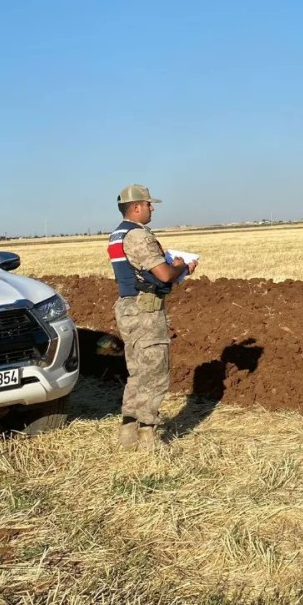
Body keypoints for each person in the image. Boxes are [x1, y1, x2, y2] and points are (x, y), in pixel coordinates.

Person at [107, 184, 197, 450]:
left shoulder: (116, 235)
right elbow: (163, 275)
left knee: (136, 372)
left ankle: (128, 434)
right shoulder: (137, 236)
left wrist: (178, 272)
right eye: (148, 204)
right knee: (155, 373)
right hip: (145, 311)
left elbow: (141, 276)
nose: (152, 208)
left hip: (128, 307)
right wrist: (180, 265)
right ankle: (148, 437)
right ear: (136, 207)